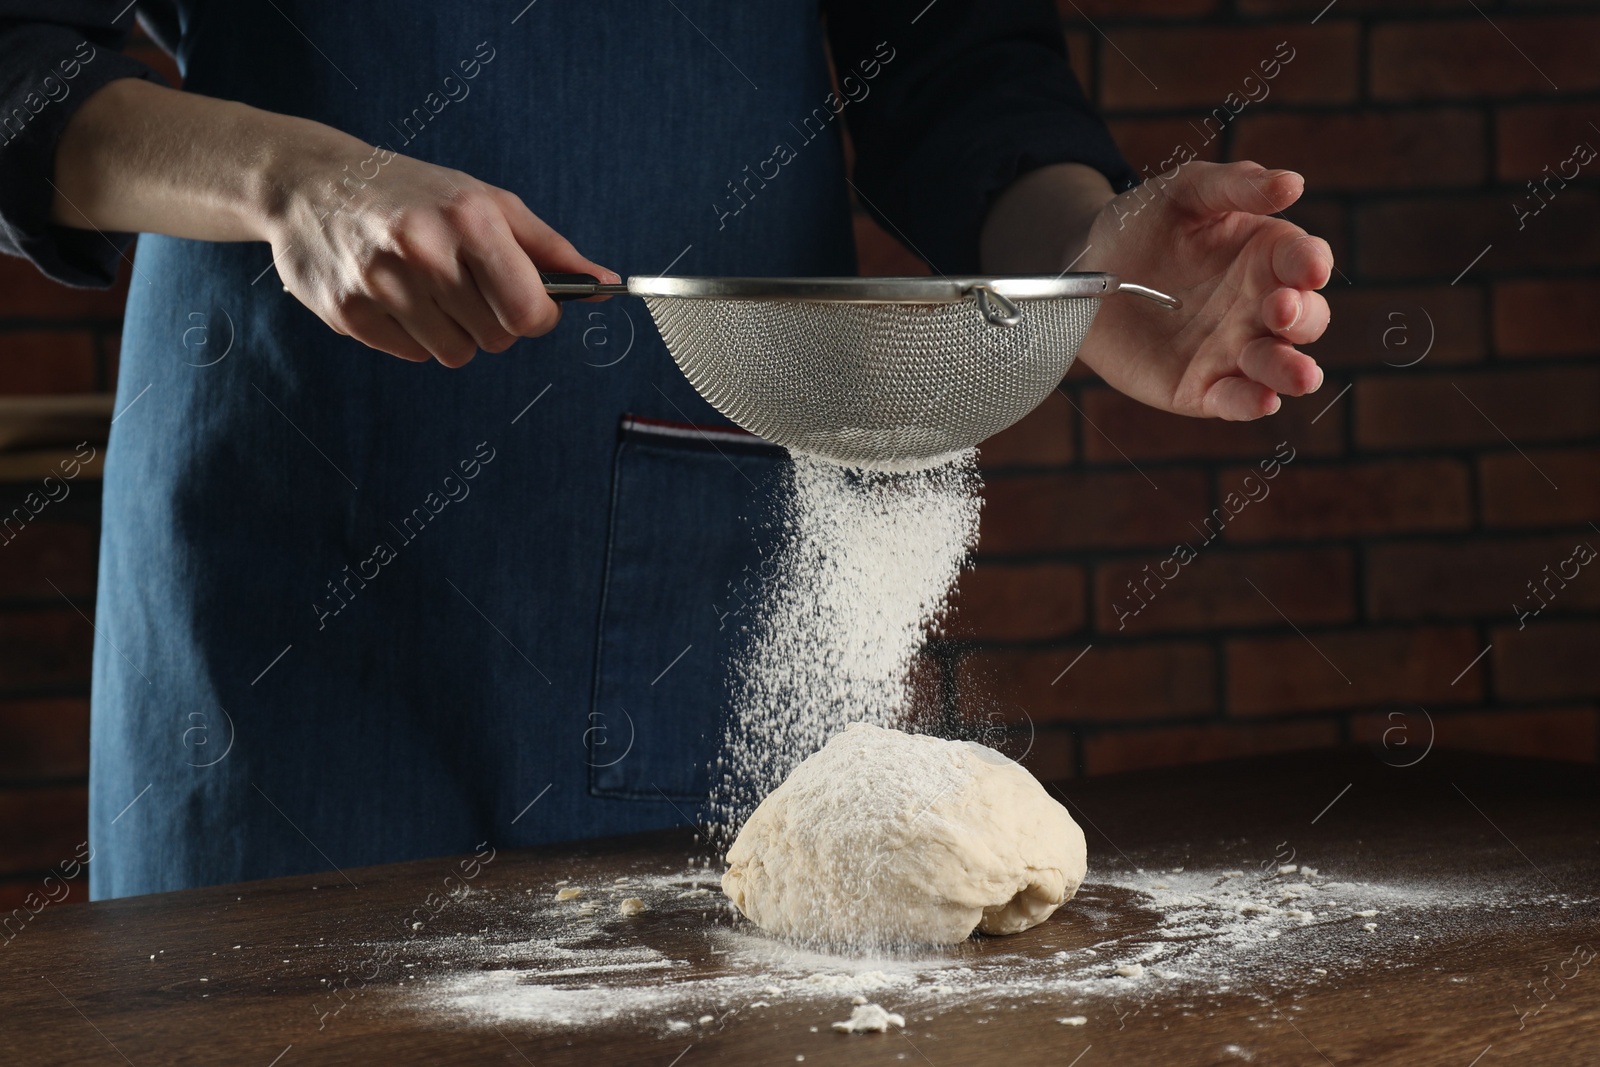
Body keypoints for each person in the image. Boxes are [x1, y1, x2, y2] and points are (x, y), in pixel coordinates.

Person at [0, 2, 1330, 899]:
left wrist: (1088, 262)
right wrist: (287, 180)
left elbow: (951, 60)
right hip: (290, 526)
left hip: (692, 525)